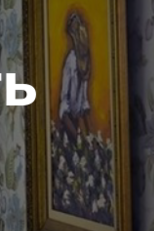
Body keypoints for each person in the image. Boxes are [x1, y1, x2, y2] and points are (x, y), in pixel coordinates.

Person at [58, 11, 92, 139]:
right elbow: (64, 104)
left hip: (77, 124)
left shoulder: (85, 62)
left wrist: (90, 136)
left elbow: (84, 102)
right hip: (68, 125)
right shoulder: (71, 61)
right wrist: (78, 136)